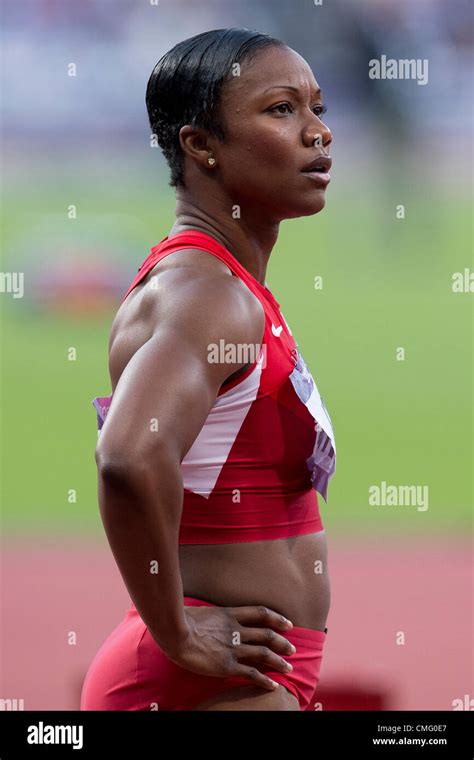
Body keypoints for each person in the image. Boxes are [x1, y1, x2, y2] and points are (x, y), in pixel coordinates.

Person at [80, 27, 336, 712]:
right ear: (201, 145)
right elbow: (129, 457)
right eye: (282, 110)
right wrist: (178, 633)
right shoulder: (205, 294)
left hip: (246, 677)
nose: (318, 133)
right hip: (204, 685)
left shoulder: (231, 286)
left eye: (317, 106)